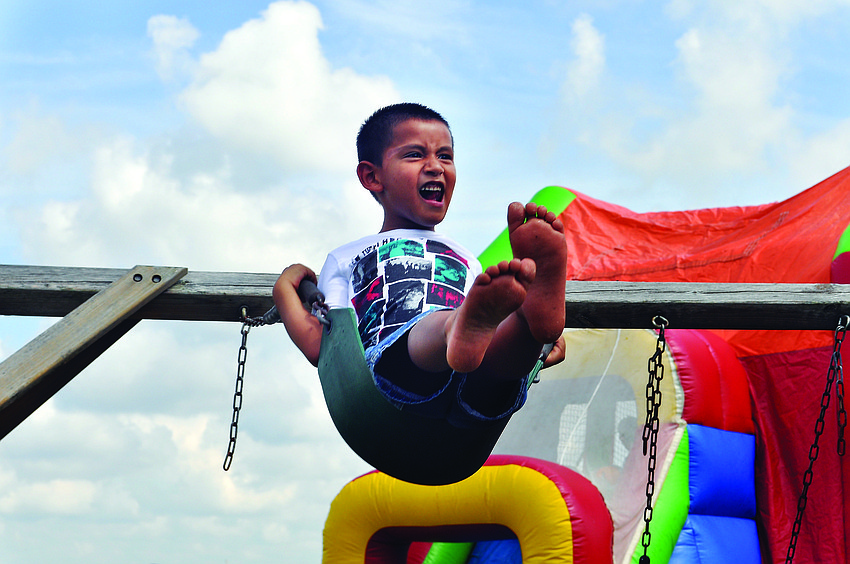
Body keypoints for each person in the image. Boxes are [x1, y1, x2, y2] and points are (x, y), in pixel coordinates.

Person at [273, 102, 567, 428]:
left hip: (472, 392)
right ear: (372, 176)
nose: (435, 167)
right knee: (441, 327)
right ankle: (459, 328)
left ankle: (530, 324)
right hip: (392, 381)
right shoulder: (348, 256)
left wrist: (536, 344)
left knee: (498, 356)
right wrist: (283, 291)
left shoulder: (466, 258)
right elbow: (324, 345)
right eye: (415, 155)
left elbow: (487, 326)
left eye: (445, 156)